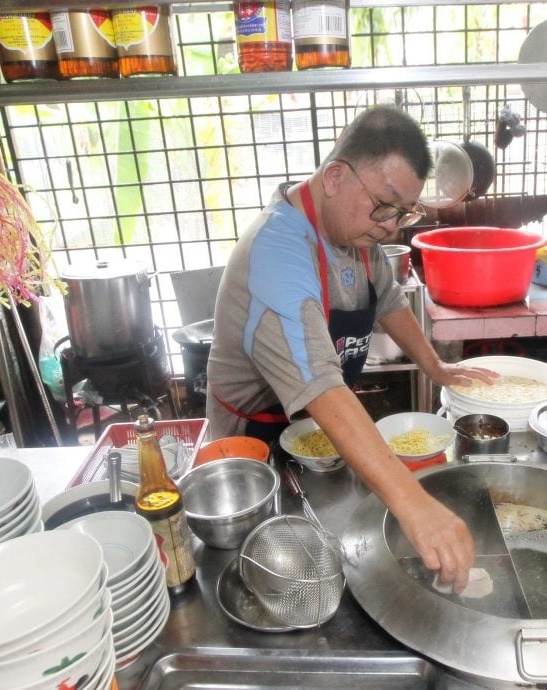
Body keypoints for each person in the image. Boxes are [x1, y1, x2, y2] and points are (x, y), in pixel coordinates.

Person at [206, 106, 497, 592]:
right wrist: (416, 506)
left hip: (320, 432)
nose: (391, 226)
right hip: (257, 442)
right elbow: (321, 383)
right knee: (278, 573)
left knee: (340, 544)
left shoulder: (356, 233)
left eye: (405, 212)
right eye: (386, 205)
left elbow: (388, 301)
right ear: (336, 176)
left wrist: (436, 367)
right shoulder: (277, 251)